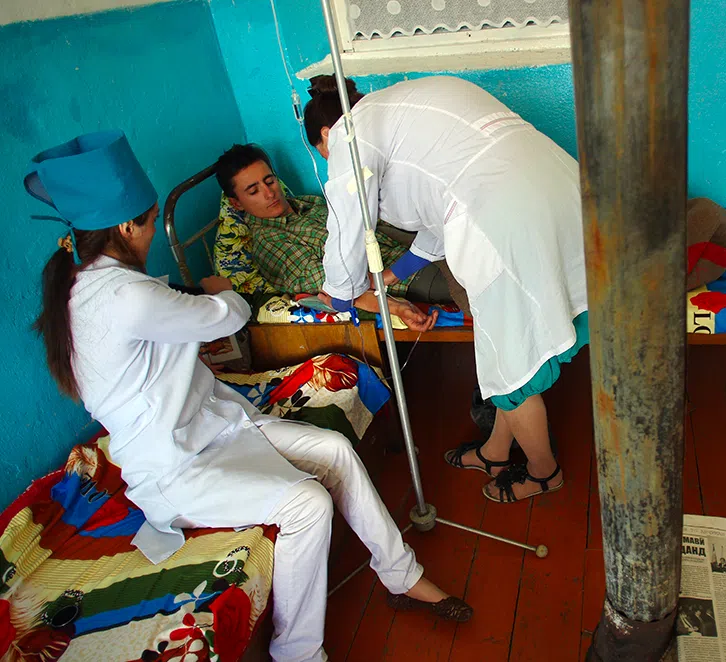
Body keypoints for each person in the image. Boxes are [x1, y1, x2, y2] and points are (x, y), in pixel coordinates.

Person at [25, 131, 471, 662]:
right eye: (150, 223)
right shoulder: (128, 296)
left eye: (269, 182)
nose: (150, 236)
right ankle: (297, 652)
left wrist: (201, 298)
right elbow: (231, 314)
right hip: (176, 467)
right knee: (309, 504)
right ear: (126, 227)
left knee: (335, 451)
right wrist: (221, 292)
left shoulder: (88, 287)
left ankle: (401, 576)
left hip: (218, 428)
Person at [305, 75, 589, 504]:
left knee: (510, 369)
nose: (330, 159)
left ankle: (543, 472)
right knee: (510, 357)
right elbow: (438, 208)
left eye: (324, 154)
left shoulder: (349, 133)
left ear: (326, 135)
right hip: (562, 186)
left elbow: (346, 223)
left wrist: (342, 293)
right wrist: (390, 277)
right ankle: (495, 453)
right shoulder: (408, 103)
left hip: (506, 220)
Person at [213, 144, 458, 311]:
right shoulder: (269, 241)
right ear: (236, 203)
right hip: (407, 278)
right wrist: (392, 297)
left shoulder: (310, 204)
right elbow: (335, 285)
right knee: (473, 280)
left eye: (270, 181)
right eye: (253, 191)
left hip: (411, 250)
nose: (269, 193)